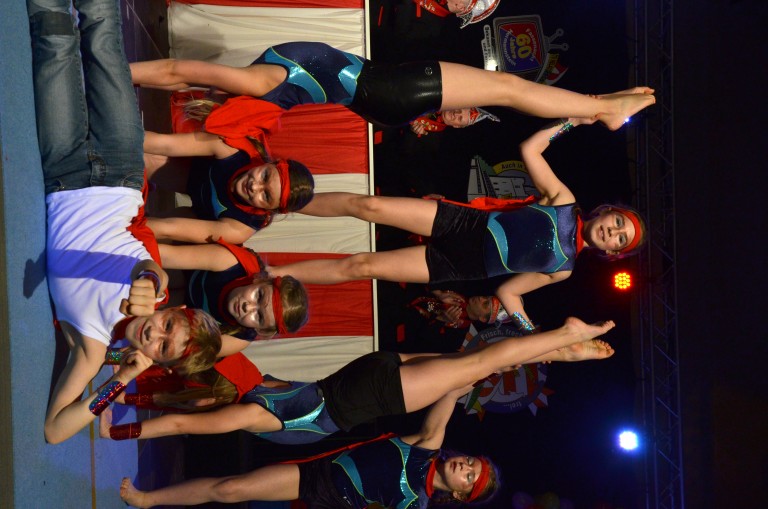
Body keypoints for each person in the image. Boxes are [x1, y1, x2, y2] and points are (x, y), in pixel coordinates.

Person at [27, 0, 221, 444]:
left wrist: (118, 381)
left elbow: (55, 430)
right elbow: (151, 272)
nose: (156, 333)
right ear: (173, 309)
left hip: (64, 173)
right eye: (169, 325)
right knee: (102, 39)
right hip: (121, 169)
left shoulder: (93, 347)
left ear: (157, 362)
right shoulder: (153, 290)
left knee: (54, 42)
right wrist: (148, 282)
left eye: (163, 348)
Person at [268, 116, 647, 324]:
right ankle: (283, 201)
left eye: (620, 239)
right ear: (607, 211)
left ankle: (274, 274)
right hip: (463, 223)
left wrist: (531, 334)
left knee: (361, 266)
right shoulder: (564, 203)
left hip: (459, 265)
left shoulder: (563, 270)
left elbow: (508, 295)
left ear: (613, 253)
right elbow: (531, 148)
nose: (612, 232)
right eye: (618, 222)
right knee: (369, 206)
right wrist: (572, 121)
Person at [101, 317, 615, 445]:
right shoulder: (253, 392)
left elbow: (186, 421)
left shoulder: (254, 410)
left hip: (368, 385)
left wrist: (125, 429)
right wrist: (128, 423)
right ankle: (562, 347)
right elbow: (189, 413)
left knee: (476, 365)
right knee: (474, 365)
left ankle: (563, 340)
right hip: (357, 386)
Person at [129, 42, 655, 130]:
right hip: (388, 89)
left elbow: (179, 76)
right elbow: (175, 71)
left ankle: (597, 106)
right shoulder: (263, 81)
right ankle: (597, 108)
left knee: (508, 89)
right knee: (508, 90)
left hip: (385, 94)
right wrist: (124, 73)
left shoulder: (265, 85)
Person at [120, 387, 498, 508]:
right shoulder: (426, 447)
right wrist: (483, 366)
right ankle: (148, 499)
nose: (464, 467)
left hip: (337, 505)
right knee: (232, 488)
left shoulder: (418, 505)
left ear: (461, 495)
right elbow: (450, 390)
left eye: (470, 477)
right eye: (471, 462)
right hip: (318, 476)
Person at [143, 104, 315, 244]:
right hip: (192, 176)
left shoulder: (240, 228)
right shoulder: (235, 149)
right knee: (143, 158)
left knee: (156, 232)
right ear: (270, 163)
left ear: (270, 210)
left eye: (266, 195)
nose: (254, 186)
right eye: (264, 176)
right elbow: (163, 144)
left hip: (200, 217)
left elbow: (169, 229)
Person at [158, 241, 309, 355]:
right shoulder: (233, 264)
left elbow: (183, 353)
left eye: (259, 316)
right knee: (162, 279)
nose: (248, 307)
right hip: (185, 268)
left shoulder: (238, 339)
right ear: (260, 280)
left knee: (164, 319)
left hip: (184, 312)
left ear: (261, 330)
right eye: (258, 296)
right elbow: (164, 255)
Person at [409, 289, 511, 330]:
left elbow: (416, 337)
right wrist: (438, 293)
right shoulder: (460, 288)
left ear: (483, 318)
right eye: (485, 297)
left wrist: (441, 319)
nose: (481, 298)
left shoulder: (457, 338)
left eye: (485, 304)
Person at [409, 107, 500, 136]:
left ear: (457, 126)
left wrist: (412, 129)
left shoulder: (435, 135)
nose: (456, 114)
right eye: (459, 109)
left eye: (459, 118)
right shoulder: (439, 96)